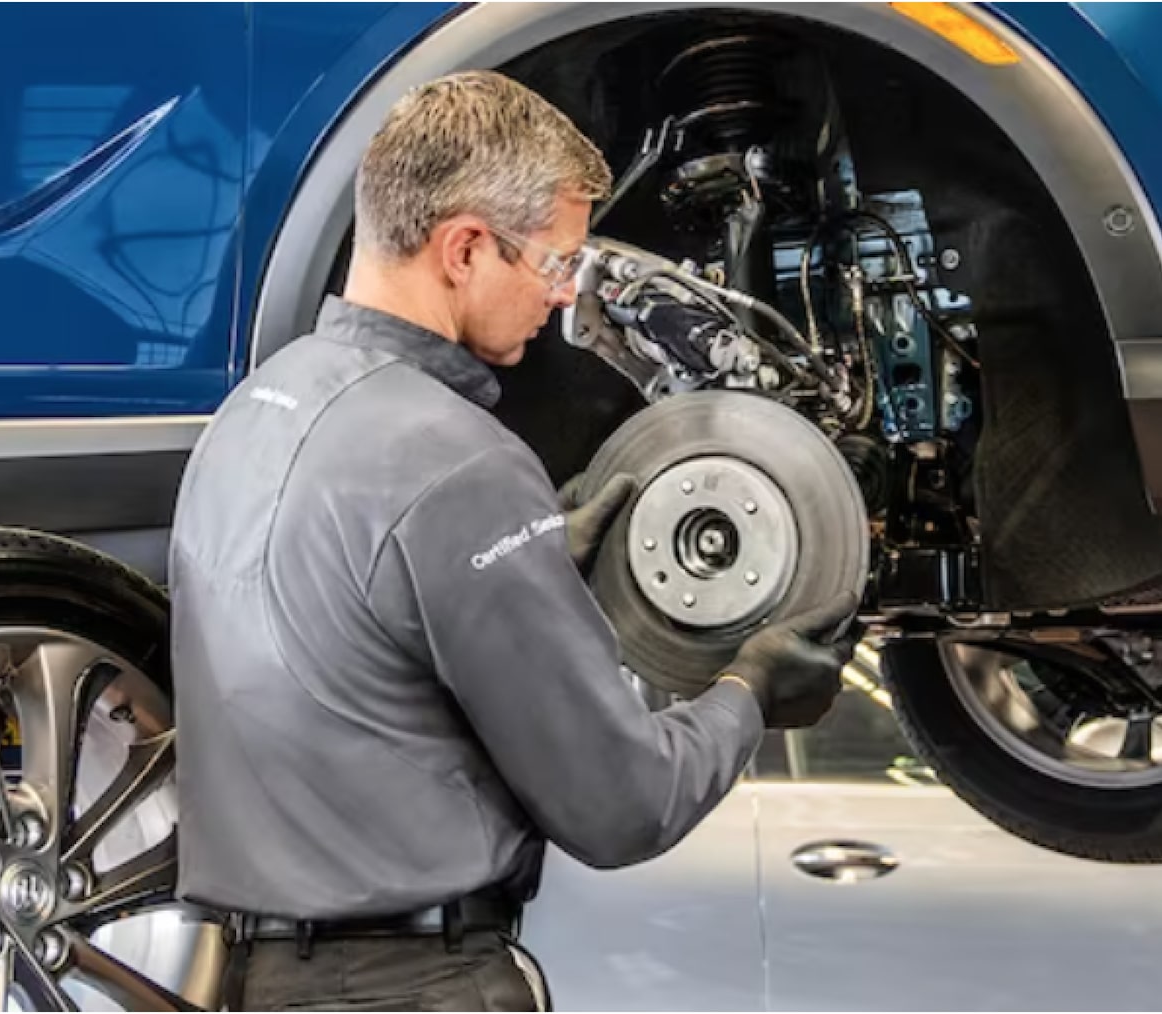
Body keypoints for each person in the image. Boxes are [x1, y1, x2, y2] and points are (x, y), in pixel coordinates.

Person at [168, 69, 861, 1012]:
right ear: (463, 248)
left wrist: (528, 567)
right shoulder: (458, 463)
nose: (563, 297)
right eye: (553, 262)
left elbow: (348, 640)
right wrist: (751, 689)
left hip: (252, 982)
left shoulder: (248, 415)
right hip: (417, 985)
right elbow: (624, 807)